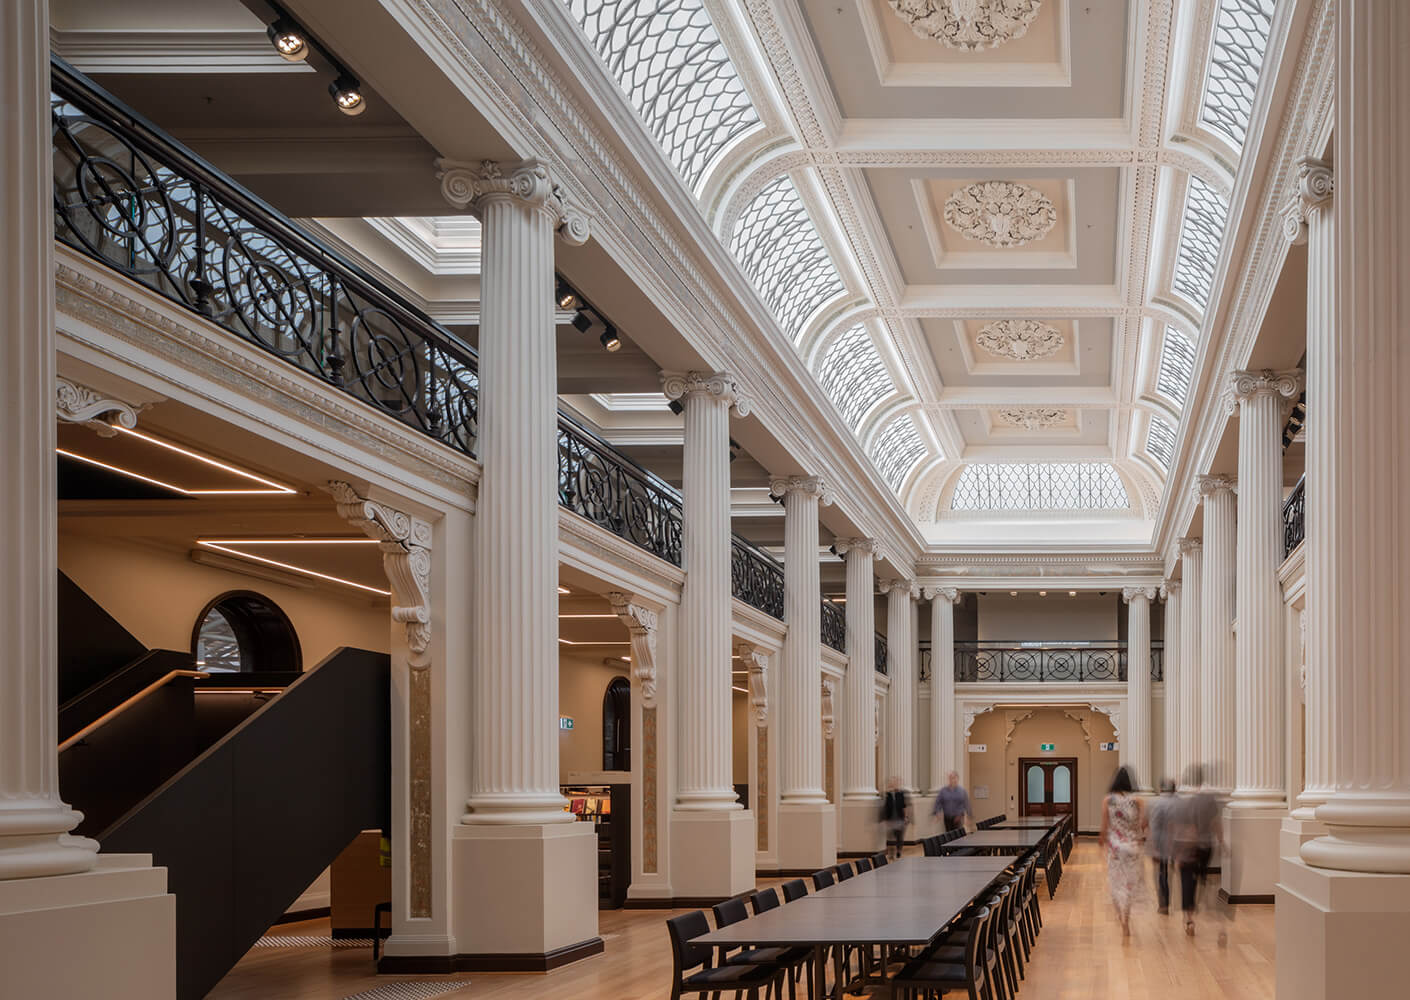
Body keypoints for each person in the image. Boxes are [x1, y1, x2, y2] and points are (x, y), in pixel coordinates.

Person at [1173, 764, 1224, 938]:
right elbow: (1216, 822)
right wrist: (1222, 842)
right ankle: (1209, 910)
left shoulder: (1186, 800)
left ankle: (1190, 919)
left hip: (1190, 847)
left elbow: (1186, 828)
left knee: (1187, 881)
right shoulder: (1210, 799)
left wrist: (1179, 851)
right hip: (1207, 847)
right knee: (1202, 879)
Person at [1099, 765, 1147, 938]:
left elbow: (1104, 827)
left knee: (1116, 883)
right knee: (1129, 884)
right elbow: (1143, 824)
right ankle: (1127, 915)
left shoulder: (1108, 800)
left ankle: (1121, 919)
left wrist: (1101, 843)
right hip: (1133, 847)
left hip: (1115, 848)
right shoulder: (1138, 800)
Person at [1147, 779, 1178, 914]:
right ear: (1174, 789)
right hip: (1178, 844)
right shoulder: (1180, 802)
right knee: (1174, 876)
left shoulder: (1157, 802)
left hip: (1162, 844)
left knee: (1162, 875)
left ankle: (1164, 905)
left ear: (1161, 789)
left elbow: (1154, 827)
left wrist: (1154, 848)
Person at [879, 777, 911, 859]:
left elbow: (904, 806)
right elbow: (884, 807)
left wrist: (906, 817)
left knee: (899, 837)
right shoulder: (887, 795)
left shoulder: (901, 794)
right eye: (892, 782)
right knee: (890, 837)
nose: (894, 784)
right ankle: (891, 853)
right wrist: (883, 819)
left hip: (900, 818)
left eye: (895, 782)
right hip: (890, 819)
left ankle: (899, 851)